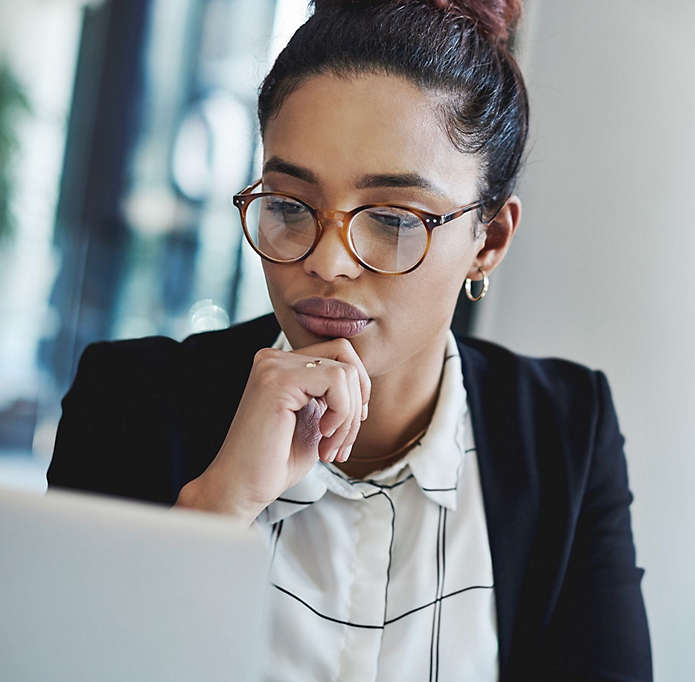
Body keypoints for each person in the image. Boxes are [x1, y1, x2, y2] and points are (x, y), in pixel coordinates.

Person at [46, 1, 652, 680]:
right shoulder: (129, 402)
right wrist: (215, 510)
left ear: (490, 239)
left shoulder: (564, 431)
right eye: (290, 206)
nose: (328, 262)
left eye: (392, 219)